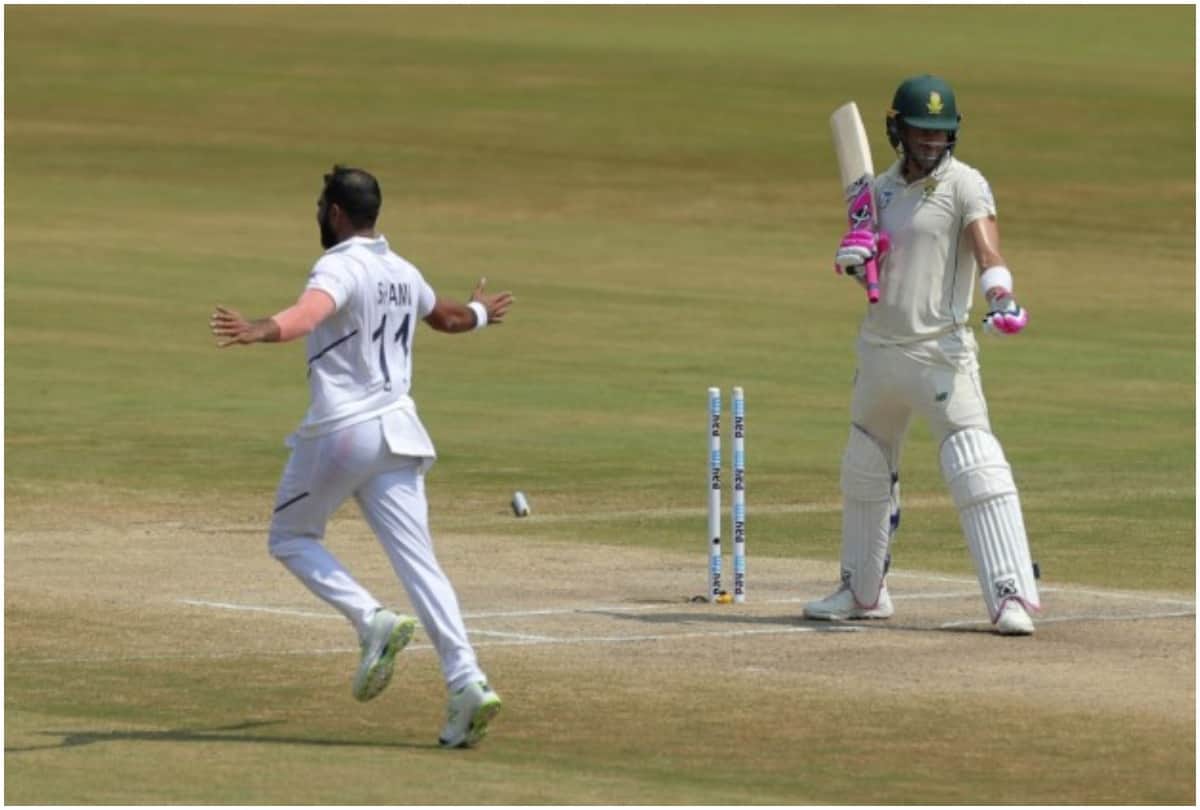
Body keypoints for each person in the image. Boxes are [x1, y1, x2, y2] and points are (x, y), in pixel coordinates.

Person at [209, 165, 514, 745]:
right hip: (399, 434)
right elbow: (446, 317)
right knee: (421, 565)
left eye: (321, 205)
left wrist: (258, 328)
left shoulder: (338, 265)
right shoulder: (402, 270)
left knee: (291, 537)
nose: (317, 214)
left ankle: (370, 619)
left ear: (337, 214)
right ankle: (467, 680)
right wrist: (480, 315)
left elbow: (308, 315)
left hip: (343, 431)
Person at [804, 75, 1040, 635]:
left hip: (942, 354)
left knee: (975, 466)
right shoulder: (878, 192)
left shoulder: (966, 185)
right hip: (880, 351)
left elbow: (989, 250)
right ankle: (862, 590)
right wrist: (856, 257)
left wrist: (1001, 295)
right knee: (863, 468)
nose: (932, 143)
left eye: (941, 134)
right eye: (921, 132)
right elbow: (873, 260)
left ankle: (1010, 595)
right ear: (897, 131)